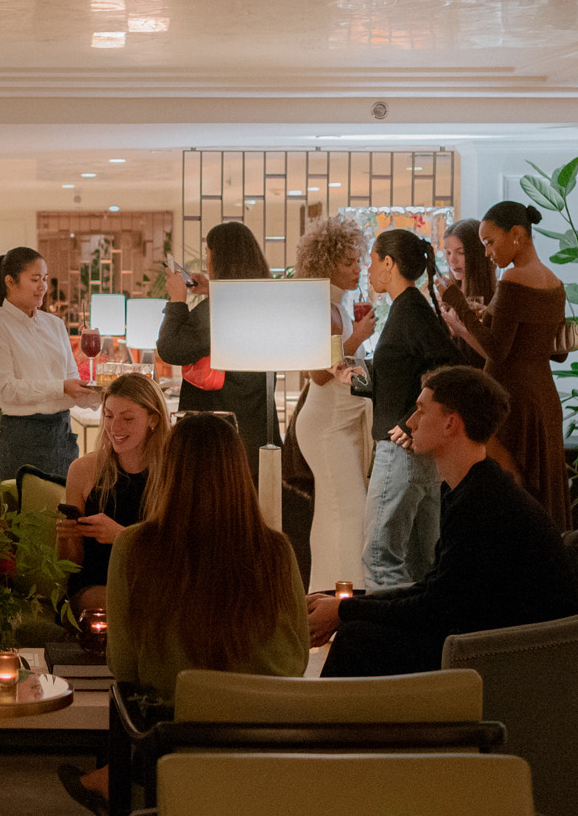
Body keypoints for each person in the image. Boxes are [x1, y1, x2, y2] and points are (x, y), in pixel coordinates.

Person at [312, 365, 578, 676]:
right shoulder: (471, 488)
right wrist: (344, 605)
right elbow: (435, 589)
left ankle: (327, 722)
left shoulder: (483, 501)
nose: (410, 421)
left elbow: (438, 605)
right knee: (357, 630)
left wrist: (345, 610)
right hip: (485, 633)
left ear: (451, 423)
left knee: (358, 638)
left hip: (513, 654)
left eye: (421, 411)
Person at [106, 411, 310, 699]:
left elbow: (124, 666)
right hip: (269, 726)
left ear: (167, 469)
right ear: (239, 469)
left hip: (178, 728)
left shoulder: (133, 546)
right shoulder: (276, 549)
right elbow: (299, 656)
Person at [439, 200, 573, 528]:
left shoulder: (513, 279)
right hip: (543, 397)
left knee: (510, 494)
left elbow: (497, 351)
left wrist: (458, 305)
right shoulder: (554, 282)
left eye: (490, 242)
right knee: (539, 494)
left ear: (517, 235)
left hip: (511, 400)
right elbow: (559, 351)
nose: (486, 252)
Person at [357, 228, 459, 589]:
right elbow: (407, 375)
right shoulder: (407, 309)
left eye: (371, 261)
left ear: (389, 263)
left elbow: (448, 368)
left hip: (400, 450)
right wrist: (355, 376)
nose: (368, 270)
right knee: (422, 563)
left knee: (380, 559)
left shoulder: (411, 310)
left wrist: (410, 420)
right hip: (412, 452)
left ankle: (388, 643)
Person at [287, 214, 373, 594]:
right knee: (348, 512)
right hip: (325, 426)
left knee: (335, 513)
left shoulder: (339, 303)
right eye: (348, 262)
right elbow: (318, 372)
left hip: (338, 421)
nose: (357, 269)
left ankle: (328, 594)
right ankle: (341, 599)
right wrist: (360, 340)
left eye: (358, 261)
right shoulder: (320, 306)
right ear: (325, 263)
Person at [154, 220, 281, 453]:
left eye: (208, 255)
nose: (207, 263)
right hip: (257, 428)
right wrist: (213, 288)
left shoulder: (222, 308)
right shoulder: (263, 299)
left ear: (220, 260)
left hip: (219, 432)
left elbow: (171, 348)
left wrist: (177, 300)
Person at [0, 247, 97, 482]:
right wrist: (60, 387)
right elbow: (5, 390)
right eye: (34, 280)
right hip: (21, 436)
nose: (43, 287)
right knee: (26, 514)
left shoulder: (55, 325)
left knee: (64, 512)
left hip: (61, 433)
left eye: (44, 279)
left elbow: (71, 383)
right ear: (10, 282)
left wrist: (103, 393)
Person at [57, 372, 168, 615]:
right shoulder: (84, 470)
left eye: (127, 418)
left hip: (153, 586)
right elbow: (70, 569)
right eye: (108, 416)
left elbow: (176, 555)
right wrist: (67, 537)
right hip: (94, 588)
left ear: (153, 419)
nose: (114, 427)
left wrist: (120, 536)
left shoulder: (172, 473)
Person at [439, 222, 497, 363]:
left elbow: (495, 358)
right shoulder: (445, 300)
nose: (452, 260)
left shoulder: (492, 303)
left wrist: (459, 329)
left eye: (461, 253)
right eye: (448, 253)